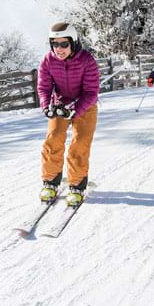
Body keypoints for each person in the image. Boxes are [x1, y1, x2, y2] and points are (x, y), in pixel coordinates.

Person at [37, 22, 100, 206]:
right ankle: (50, 182)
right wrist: (46, 107)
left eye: (64, 44)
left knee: (80, 143)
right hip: (60, 104)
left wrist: (75, 110)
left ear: (73, 42)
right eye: (55, 44)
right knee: (53, 138)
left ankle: (77, 185)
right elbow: (44, 88)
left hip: (85, 106)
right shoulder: (48, 61)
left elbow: (91, 92)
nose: (59, 49)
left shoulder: (87, 60)